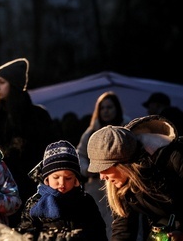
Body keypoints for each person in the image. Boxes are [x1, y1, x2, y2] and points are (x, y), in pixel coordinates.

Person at [87, 115, 183, 241]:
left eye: (105, 169)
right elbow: (123, 229)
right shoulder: (120, 187)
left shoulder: (175, 159)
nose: (102, 176)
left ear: (123, 165)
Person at [0, 57, 54, 227]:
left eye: (1, 82)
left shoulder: (37, 116)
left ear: (14, 84)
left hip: (31, 187)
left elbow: (47, 150)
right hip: (4, 188)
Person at [16, 140, 107, 240]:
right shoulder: (35, 203)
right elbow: (25, 234)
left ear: (76, 179)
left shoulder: (85, 201)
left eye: (68, 178)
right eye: (56, 177)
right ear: (47, 179)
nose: (62, 183)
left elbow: (99, 233)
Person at [76, 90, 125, 236]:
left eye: (109, 107)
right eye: (102, 108)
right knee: (98, 226)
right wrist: (87, 170)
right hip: (97, 186)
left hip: (121, 184)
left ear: (117, 109)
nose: (106, 111)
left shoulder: (127, 128)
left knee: (122, 222)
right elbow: (80, 155)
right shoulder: (91, 132)